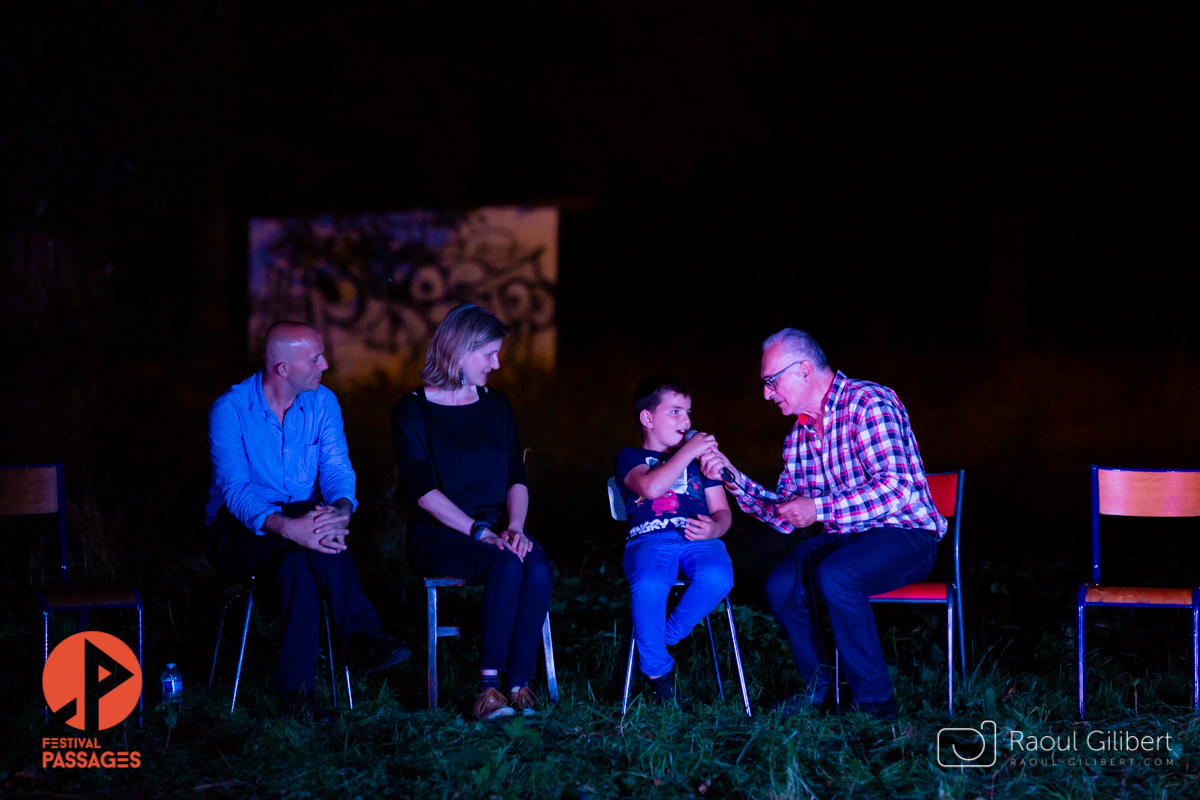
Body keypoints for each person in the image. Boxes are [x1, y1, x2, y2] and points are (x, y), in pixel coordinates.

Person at [699, 329, 945, 721]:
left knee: (836, 575)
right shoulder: (799, 435)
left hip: (906, 534)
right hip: (849, 541)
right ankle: (822, 689)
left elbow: (897, 489)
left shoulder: (868, 402)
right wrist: (732, 477)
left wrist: (819, 509)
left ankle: (876, 707)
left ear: (804, 370)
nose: (766, 393)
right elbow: (784, 514)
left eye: (771, 381)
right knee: (781, 585)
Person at [205, 321, 411, 723]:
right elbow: (236, 491)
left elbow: (337, 469)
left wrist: (340, 511)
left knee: (299, 558)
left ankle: (296, 697)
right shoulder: (230, 410)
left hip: (302, 535)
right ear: (282, 368)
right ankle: (363, 635)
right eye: (314, 358)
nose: (326, 364)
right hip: (237, 534)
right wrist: (290, 526)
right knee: (301, 519)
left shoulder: (323, 402)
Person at [392, 304, 553, 721]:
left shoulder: (497, 406)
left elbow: (517, 476)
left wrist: (515, 527)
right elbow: (424, 493)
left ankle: (519, 684)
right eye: (489, 354)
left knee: (536, 566)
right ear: (461, 351)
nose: (496, 364)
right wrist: (480, 532)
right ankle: (487, 690)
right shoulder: (411, 411)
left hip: (498, 528)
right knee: (504, 564)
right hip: (440, 533)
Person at [614, 377, 733, 709]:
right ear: (647, 419)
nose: (687, 422)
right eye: (676, 412)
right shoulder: (631, 457)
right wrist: (690, 451)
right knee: (651, 581)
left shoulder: (701, 463)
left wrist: (714, 528)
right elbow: (650, 489)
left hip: (698, 540)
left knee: (719, 576)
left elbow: (723, 512)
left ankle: (659, 637)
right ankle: (657, 673)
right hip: (649, 541)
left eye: (689, 413)